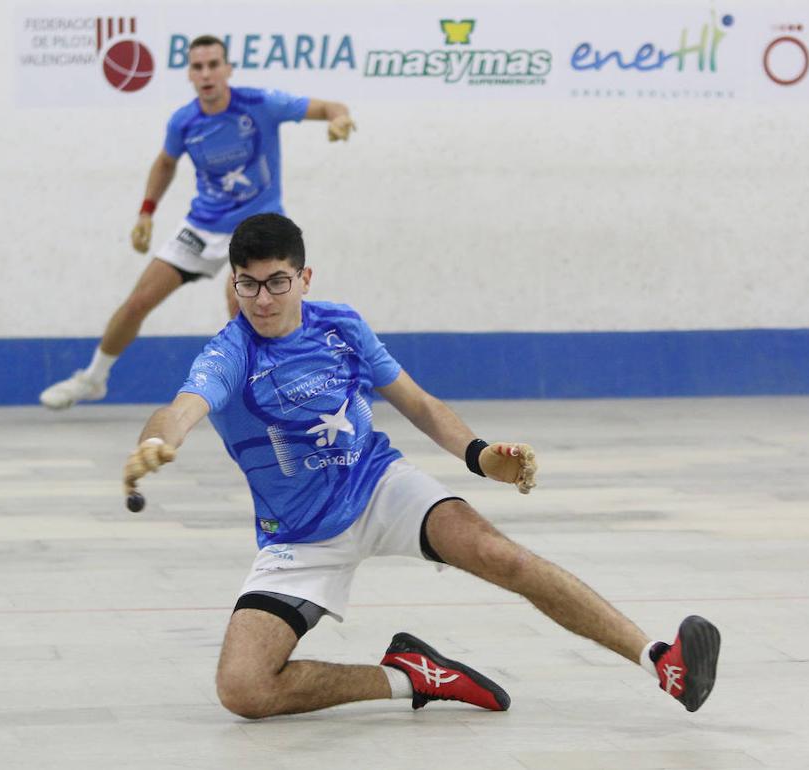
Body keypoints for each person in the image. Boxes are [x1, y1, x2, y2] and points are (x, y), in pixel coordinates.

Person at [122, 213, 722, 718]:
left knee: (501, 555)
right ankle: (412, 676)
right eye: (247, 285)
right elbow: (179, 410)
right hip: (300, 538)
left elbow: (420, 404)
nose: (262, 299)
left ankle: (661, 662)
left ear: (304, 277)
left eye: (277, 282)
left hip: (379, 486)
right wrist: (155, 443)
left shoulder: (342, 326)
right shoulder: (229, 352)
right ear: (234, 284)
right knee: (243, 689)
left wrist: (480, 456)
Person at [40, 34, 356, 410]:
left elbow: (331, 107)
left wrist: (339, 120)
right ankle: (92, 378)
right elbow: (166, 163)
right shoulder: (184, 122)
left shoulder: (261, 103)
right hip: (202, 224)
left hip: (256, 223)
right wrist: (146, 212)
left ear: (227, 70)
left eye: (213, 65)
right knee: (139, 300)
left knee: (239, 298)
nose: (206, 74)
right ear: (190, 74)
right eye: (197, 67)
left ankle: (262, 387)